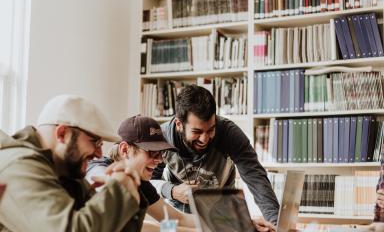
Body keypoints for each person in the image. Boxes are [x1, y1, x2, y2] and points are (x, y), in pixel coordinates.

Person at [0, 95, 144, 232]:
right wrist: (120, 189)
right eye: (95, 142)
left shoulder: (66, 171)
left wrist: (131, 189)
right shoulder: (20, 167)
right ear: (62, 134)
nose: (99, 154)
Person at [151, 85, 279, 231]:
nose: (204, 139)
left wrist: (276, 223)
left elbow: (256, 177)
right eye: (196, 132)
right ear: (179, 124)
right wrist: (172, 191)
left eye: (210, 129)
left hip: (222, 215)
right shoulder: (162, 137)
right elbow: (148, 182)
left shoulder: (229, 133)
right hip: (178, 218)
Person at [86, 115, 195, 232]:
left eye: (161, 153)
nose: (159, 160)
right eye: (152, 153)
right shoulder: (99, 168)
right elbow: (132, 227)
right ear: (125, 150)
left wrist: (213, 221)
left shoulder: (139, 179)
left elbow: (178, 218)